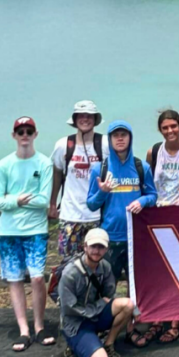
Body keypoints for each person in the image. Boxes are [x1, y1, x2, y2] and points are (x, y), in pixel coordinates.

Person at [87, 119, 157, 348]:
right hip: (109, 240)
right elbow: (91, 204)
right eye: (115, 135)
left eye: (123, 135)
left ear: (130, 138)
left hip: (135, 238)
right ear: (109, 139)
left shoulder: (140, 167)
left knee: (134, 286)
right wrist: (102, 192)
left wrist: (143, 200)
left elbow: (153, 196)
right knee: (107, 287)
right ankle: (105, 329)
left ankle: (131, 329)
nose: (119, 139)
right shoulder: (101, 169)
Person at [0, 116, 56, 352]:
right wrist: (16, 200)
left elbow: (43, 200)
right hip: (9, 232)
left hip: (36, 230)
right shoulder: (4, 165)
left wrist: (15, 200)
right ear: (14, 136)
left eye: (29, 131)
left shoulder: (45, 163)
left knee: (38, 277)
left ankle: (39, 326)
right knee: (15, 279)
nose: (25, 135)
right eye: (21, 132)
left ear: (36, 134)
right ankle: (23, 330)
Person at [142, 109, 179, 345]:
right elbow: (147, 184)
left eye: (173, 126)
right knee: (158, 272)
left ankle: (176, 322)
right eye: (165, 128)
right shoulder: (153, 152)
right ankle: (157, 320)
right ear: (160, 130)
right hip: (157, 216)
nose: (170, 131)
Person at [58, 228, 135, 357]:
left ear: (106, 249)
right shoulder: (70, 273)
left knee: (128, 305)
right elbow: (69, 308)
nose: (96, 251)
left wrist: (101, 305)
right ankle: (76, 346)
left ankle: (108, 344)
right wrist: (99, 305)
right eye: (93, 246)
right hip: (76, 323)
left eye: (101, 247)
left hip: (95, 315)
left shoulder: (105, 267)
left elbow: (109, 294)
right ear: (85, 246)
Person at [49, 101, 108, 260]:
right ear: (75, 120)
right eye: (81, 116)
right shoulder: (63, 145)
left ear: (95, 119)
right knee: (69, 264)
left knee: (97, 261)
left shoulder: (105, 143)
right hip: (70, 215)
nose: (85, 119)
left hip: (97, 215)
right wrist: (53, 203)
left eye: (89, 116)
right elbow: (57, 174)